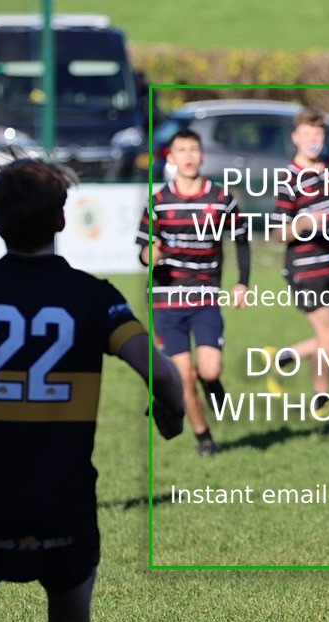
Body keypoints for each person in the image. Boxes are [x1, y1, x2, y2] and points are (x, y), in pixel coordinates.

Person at [0, 159, 185, 622]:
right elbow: (164, 375)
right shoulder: (96, 297)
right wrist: (171, 412)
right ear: (60, 222)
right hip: (65, 510)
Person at [136, 128, 249, 455]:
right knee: (183, 376)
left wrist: (242, 282)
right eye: (181, 150)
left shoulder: (222, 200)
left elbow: (241, 240)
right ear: (170, 158)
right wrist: (150, 255)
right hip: (165, 301)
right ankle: (205, 439)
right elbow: (143, 251)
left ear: (202, 156)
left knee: (209, 369)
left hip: (204, 298)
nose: (188, 156)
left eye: (194, 149)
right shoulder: (157, 203)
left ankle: (212, 383)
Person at [266, 107, 329, 415]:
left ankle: (283, 356)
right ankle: (320, 398)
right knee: (328, 336)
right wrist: (301, 225)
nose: (313, 140)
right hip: (305, 269)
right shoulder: (289, 178)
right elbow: (277, 233)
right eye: (307, 134)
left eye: (317, 134)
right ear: (296, 138)